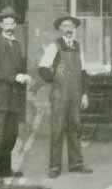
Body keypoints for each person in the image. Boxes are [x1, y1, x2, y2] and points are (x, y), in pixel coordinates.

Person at [38, 15, 94, 178]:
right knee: (57, 129)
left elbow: (83, 72)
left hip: (76, 94)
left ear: (74, 29)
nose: (68, 28)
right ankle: (54, 167)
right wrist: (54, 76)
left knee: (75, 127)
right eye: (65, 26)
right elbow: (42, 68)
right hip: (59, 94)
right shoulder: (54, 46)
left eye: (71, 26)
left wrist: (84, 94)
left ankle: (76, 163)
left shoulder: (78, 47)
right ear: (60, 29)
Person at [0, 6, 31, 184]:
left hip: (14, 98)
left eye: (13, 22)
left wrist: (24, 77)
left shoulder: (17, 45)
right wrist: (15, 77)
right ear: (1, 25)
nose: (10, 25)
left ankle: (4, 170)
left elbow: (18, 69)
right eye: (7, 22)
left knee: (11, 135)